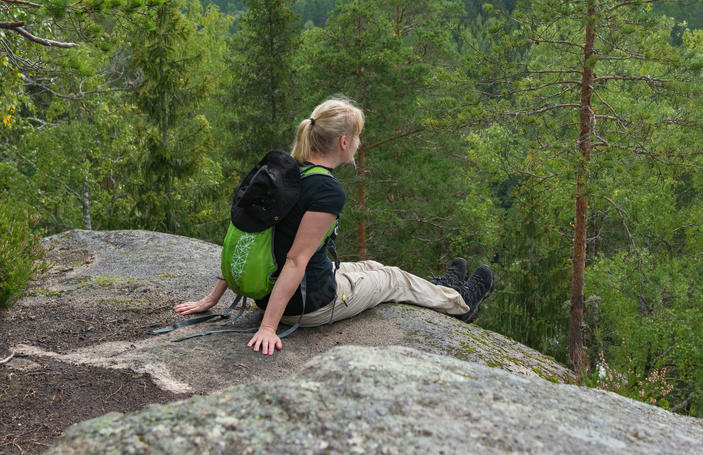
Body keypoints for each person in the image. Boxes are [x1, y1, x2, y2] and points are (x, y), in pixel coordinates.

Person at [174, 96, 495, 355]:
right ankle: (461, 303)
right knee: (393, 278)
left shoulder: (284, 172)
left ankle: (444, 290)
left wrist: (213, 298)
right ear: (344, 141)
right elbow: (295, 260)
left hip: (270, 291)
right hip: (308, 304)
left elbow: (246, 233)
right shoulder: (326, 190)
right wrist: (268, 327)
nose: (359, 143)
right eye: (357, 136)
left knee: (371, 265)